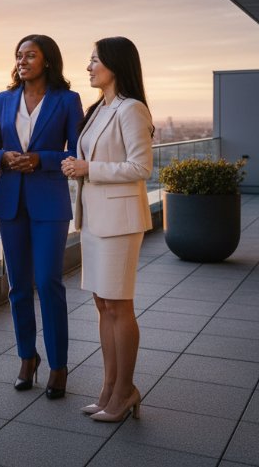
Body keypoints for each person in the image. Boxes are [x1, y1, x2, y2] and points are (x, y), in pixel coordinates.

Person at [0, 34, 82, 399]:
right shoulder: (3, 99)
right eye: (19, 55)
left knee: (49, 282)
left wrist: (42, 158)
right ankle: (27, 358)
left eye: (30, 55)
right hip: (10, 202)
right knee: (18, 286)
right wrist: (5, 158)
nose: (22, 60)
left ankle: (59, 365)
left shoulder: (67, 100)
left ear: (47, 61)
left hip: (49, 203)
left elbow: (76, 153)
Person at [61, 36, 153, 422]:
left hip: (119, 222)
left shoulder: (132, 110)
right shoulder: (99, 109)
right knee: (102, 305)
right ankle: (109, 387)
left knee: (119, 305)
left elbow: (140, 168)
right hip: (95, 219)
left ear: (116, 64)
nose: (88, 67)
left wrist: (88, 169)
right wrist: (76, 166)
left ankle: (125, 390)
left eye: (95, 59)